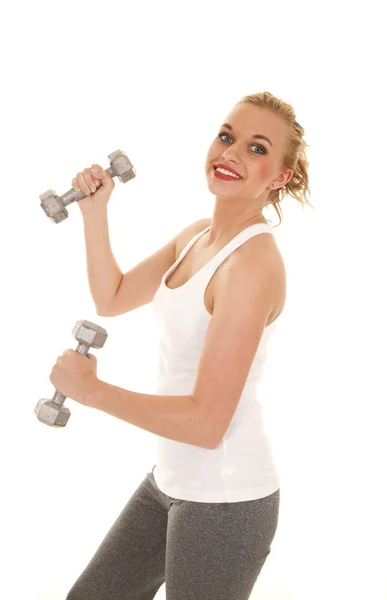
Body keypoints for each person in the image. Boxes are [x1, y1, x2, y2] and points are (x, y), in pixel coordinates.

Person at [66, 91, 312, 600]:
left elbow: (206, 424)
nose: (231, 153)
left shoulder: (251, 267)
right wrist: (95, 213)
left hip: (225, 501)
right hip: (170, 483)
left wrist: (92, 392)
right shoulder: (197, 236)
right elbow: (111, 298)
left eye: (257, 148)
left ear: (280, 177)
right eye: (227, 137)